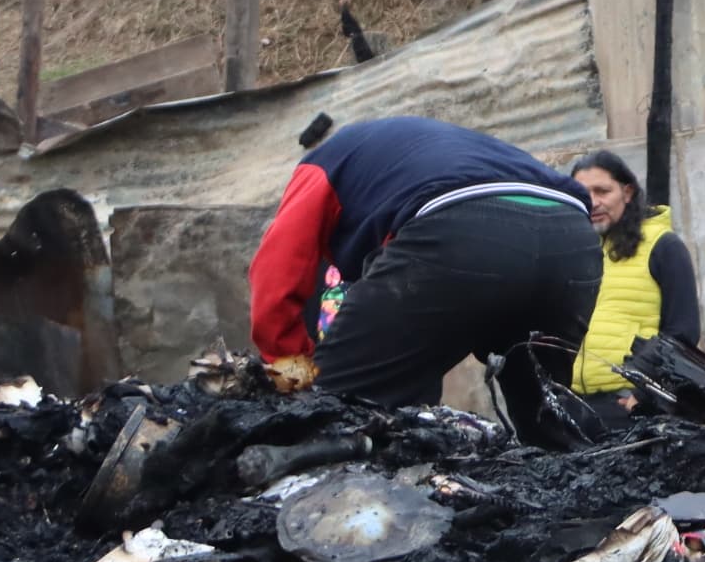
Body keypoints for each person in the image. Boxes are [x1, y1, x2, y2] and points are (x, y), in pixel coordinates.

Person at [248, 114, 599, 409]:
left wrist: (293, 376)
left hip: (462, 226)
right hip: (572, 237)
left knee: (332, 405)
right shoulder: (410, 159)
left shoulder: (322, 164)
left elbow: (275, 275)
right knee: (548, 413)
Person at [569, 148, 701, 397]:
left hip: (631, 402)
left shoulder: (663, 246)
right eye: (583, 193)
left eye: (602, 191)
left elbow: (683, 334)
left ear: (627, 192)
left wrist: (645, 395)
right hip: (577, 402)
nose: (593, 202)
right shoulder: (575, 251)